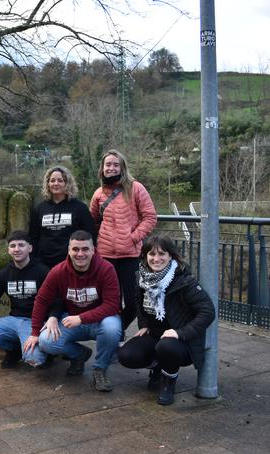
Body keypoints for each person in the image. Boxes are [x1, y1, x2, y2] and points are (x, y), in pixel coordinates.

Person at [118, 235, 215, 405]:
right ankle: (158, 367)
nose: (156, 259)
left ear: (171, 255)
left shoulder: (183, 280)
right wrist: (144, 324)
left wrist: (180, 333)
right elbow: (138, 302)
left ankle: (168, 382)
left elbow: (207, 311)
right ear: (145, 256)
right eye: (151, 254)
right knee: (126, 355)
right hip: (155, 333)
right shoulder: (141, 277)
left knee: (166, 346)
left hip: (181, 340)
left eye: (162, 254)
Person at [25, 230, 121, 392]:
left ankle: (100, 368)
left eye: (85, 249)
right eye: (75, 249)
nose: (80, 253)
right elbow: (41, 300)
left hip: (100, 321)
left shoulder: (106, 269)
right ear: (68, 250)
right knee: (46, 341)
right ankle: (79, 354)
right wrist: (34, 332)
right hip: (71, 320)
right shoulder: (58, 271)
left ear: (93, 250)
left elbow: (112, 305)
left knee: (112, 328)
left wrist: (82, 318)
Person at [89, 149, 157, 334]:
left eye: (115, 164)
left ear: (122, 167)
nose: (111, 168)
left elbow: (150, 217)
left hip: (130, 255)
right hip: (105, 257)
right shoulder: (98, 194)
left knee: (135, 300)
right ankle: (115, 338)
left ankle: (117, 330)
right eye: (108, 164)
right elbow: (92, 222)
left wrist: (133, 237)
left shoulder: (136, 188)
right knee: (111, 301)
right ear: (102, 168)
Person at [0, 231, 53, 369]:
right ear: (8, 250)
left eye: (21, 245)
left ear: (30, 248)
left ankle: (48, 352)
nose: (16, 249)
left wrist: (50, 320)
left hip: (35, 322)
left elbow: (56, 300)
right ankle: (14, 351)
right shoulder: (4, 274)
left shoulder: (42, 271)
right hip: (14, 320)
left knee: (33, 359)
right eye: (13, 246)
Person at [29, 166, 95, 269]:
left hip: (71, 262)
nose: (56, 183)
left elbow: (90, 234)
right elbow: (33, 237)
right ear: (48, 184)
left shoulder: (79, 207)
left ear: (67, 183)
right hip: (44, 263)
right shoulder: (40, 209)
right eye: (52, 180)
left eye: (60, 180)